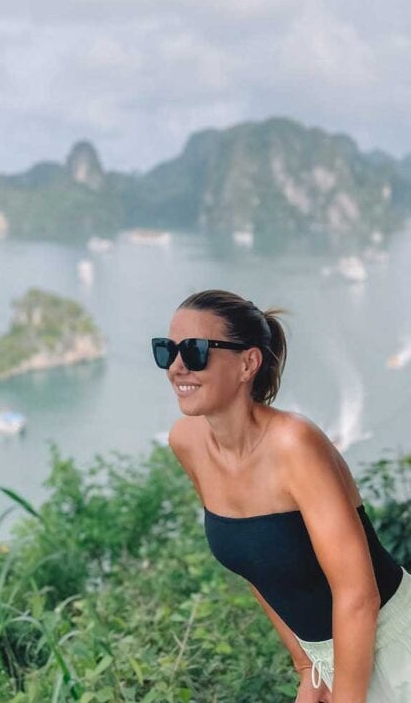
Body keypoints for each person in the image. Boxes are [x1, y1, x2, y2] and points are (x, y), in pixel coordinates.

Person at [156, 289, 411, 703]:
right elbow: (256, 566)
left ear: (248, 363)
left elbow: (358, 595)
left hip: (396, 650)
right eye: (166, 350)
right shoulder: (187, 442)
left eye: (196, 350)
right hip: (330, 660)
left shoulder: (294, 443)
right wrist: (308, 666)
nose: (177, 366)